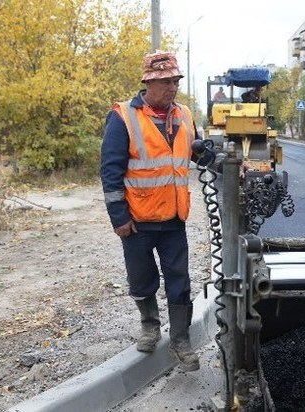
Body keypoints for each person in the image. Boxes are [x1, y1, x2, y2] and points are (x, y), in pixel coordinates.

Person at [100, 50, 205, 372]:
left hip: (174, 217)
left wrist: (226, 162)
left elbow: (196, 151)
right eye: (165, 82)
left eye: (175, 81)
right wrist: (119, 217)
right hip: (138, 219)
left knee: (179, 280)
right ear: (148, 82)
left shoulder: (184, 115)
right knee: (142, 278)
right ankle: (149, 326)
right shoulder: (123, 117)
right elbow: (111, 171)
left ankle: (181, 339)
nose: (171, 88)